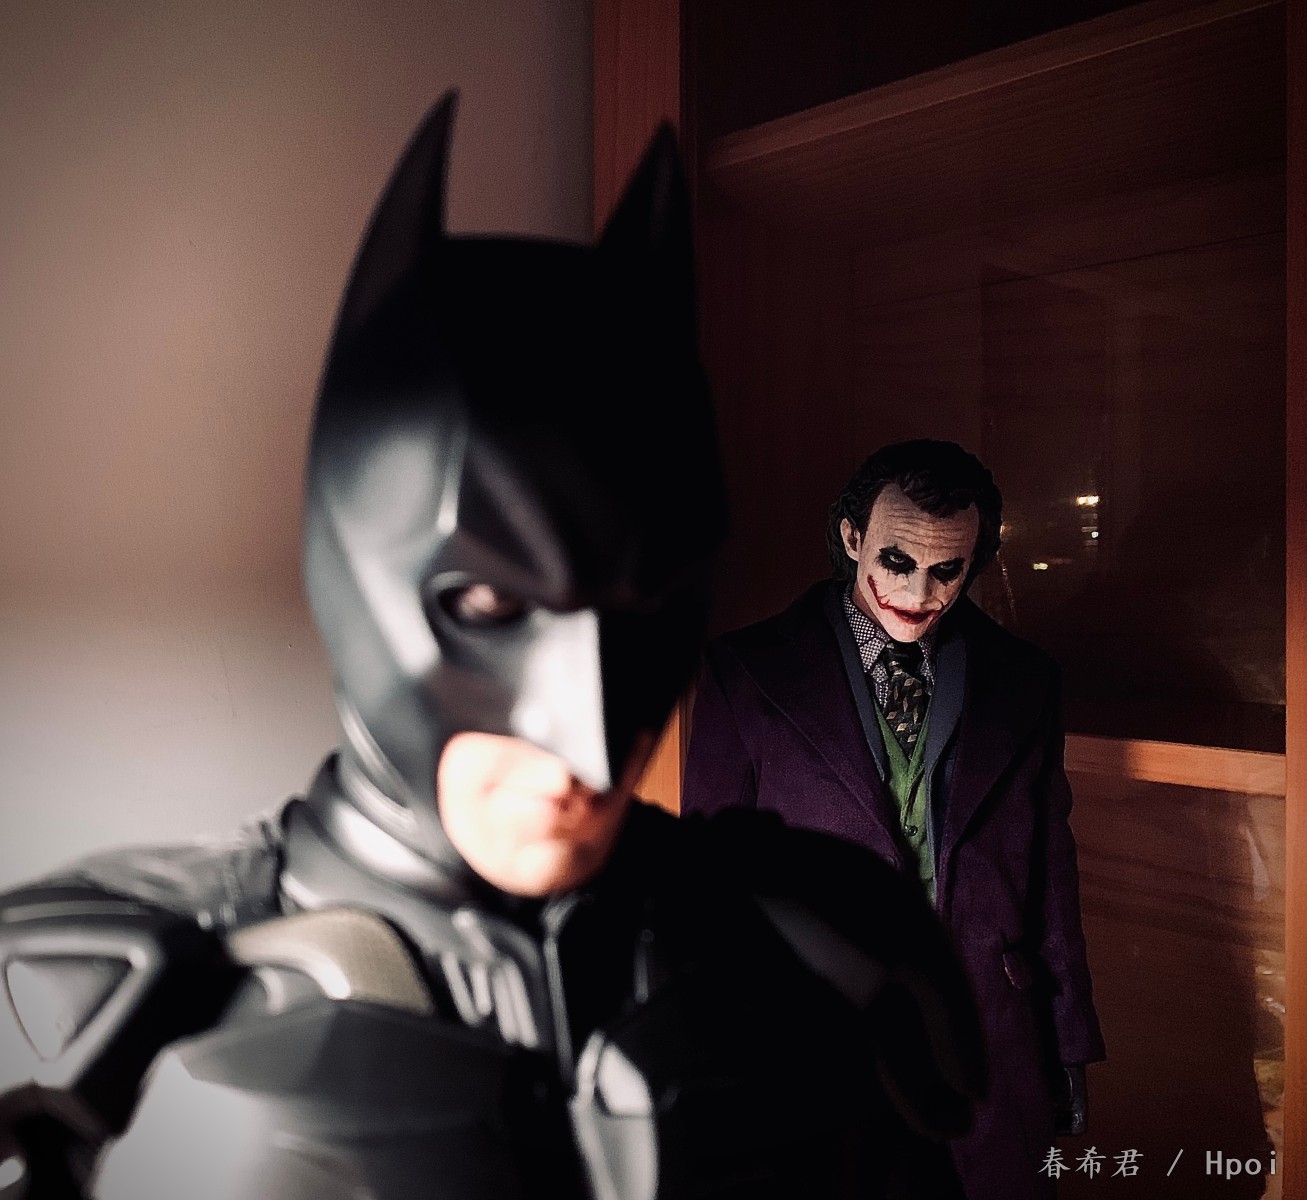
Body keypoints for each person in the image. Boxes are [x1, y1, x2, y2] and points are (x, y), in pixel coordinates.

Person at [0, 96, 985, 1200]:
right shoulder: (91, 983)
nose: (588, 742)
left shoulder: (828, 942)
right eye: (486, 602)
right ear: (352, 570)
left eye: (644, 604)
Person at [681, 439, 1106, 1200]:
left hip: (988, 1034)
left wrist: (1067, 1042)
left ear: (977, 561)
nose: (918, 591)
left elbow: (1051, 872)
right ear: (852, 538)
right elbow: (710, 887)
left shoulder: (1025, 681)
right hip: (810, 1033)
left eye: (948, 570)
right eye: (897, 560)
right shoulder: (745, 672)